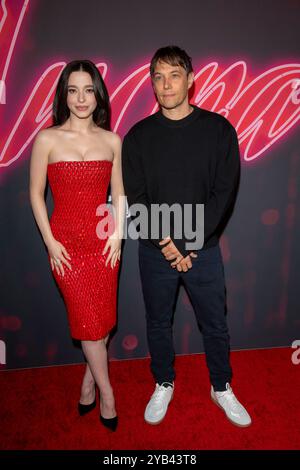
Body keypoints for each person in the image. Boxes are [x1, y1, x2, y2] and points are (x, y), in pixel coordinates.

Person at [122, 46, 251, 427]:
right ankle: (164, 380)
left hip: (203, 250)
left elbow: (223, 193)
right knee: (158, 321)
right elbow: (138, 198)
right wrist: (169, 246)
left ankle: (220, 385)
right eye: (158, 77)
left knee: (215, 323)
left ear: (190, 79)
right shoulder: (138, 137)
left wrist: (189, 244)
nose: (166, 84)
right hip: (154, 250)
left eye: (174, 75)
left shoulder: (219, 130)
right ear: (152, 83)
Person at [30, 60, 125, 431]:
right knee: (88, 324)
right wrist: (51, 243)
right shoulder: (48, 139)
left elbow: (119, 193)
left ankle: (88, 385)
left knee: (100, 327)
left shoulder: (111, 140)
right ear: (64, 95)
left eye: (88, 90)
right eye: (73, 90)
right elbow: (36, 196)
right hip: (66, 246)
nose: (81, 98)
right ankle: (108, 393)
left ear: (97, 94)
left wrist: (117, 234)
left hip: (104, 245)